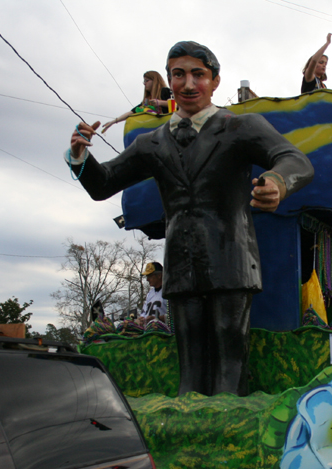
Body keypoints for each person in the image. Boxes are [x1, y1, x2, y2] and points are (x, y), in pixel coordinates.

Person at [67, 41, 314, 396]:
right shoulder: (152, 143)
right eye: (178, 74)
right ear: (169, 81)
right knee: (191, 369)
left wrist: (277, 182)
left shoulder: (241, 127)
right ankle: (189, 430)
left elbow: (296, 160)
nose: (187, 84)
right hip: (181, 267)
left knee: (230, 364)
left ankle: (230, 428)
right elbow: (103, 184)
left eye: (198, 74)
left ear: (214, 81)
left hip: (232, 262)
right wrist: (79, 157)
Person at [102, 71, 172, 133]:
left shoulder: (165, 91)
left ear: (155, 81)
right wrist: (114, 121)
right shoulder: (146, 101)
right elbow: (131, 112)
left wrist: (160, 103)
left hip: (168, 129)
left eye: (146, 80)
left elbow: (178, 105)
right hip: (152, 130)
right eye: (144, 81)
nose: (144, 84)